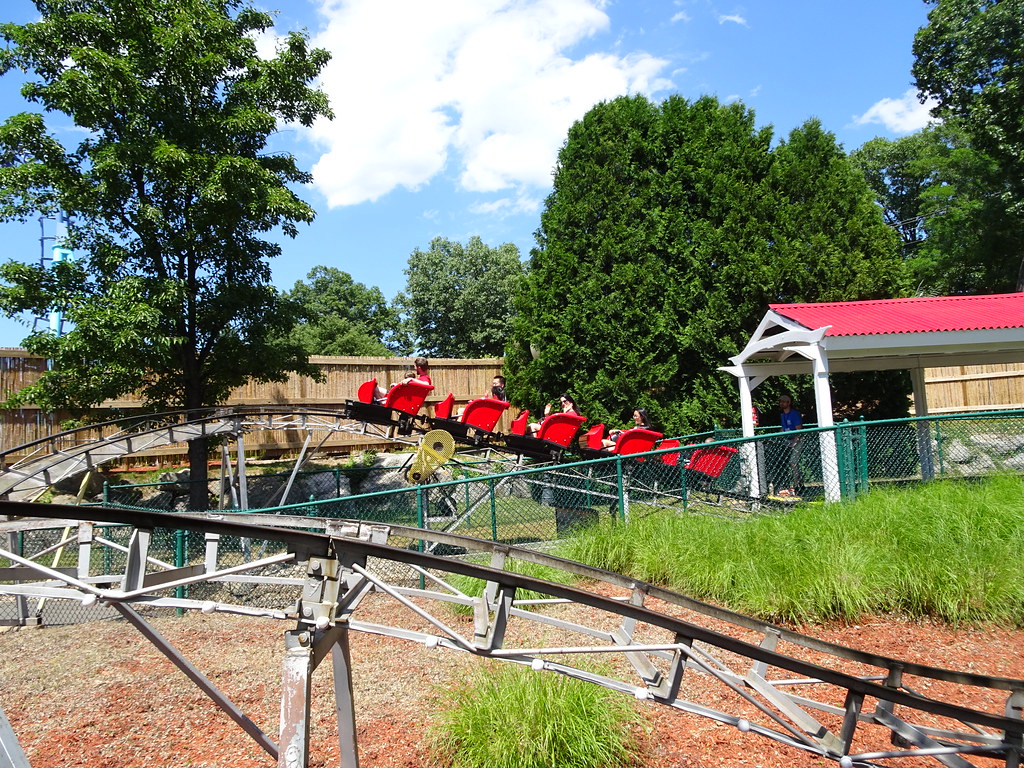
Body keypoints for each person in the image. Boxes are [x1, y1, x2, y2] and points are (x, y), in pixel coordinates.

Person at [776, 393, 803, 497]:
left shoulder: (794, 414)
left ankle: (797, 485)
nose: (781, 403)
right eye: (780, 402)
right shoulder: (783, 415)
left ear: (788, 403)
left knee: (793, 462)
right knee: (784, 462)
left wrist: (794, 442)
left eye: (784, 401)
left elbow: (799, 430)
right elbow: (783, 429)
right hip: (787, 441)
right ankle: (787, 486)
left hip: (796, 440)